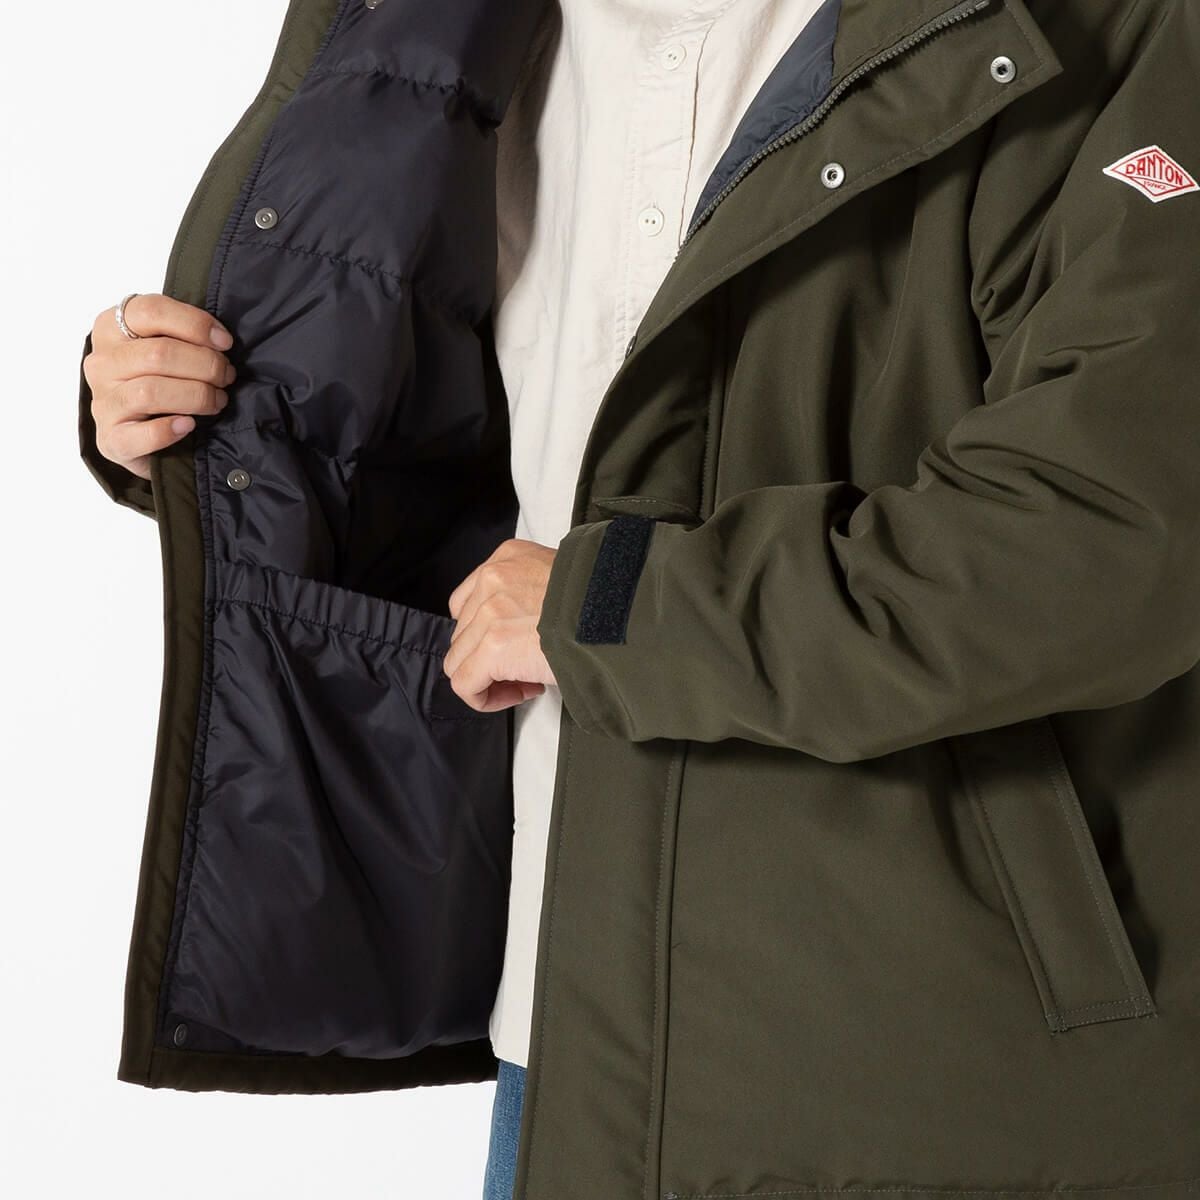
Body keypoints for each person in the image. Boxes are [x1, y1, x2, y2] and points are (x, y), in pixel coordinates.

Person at [79, 2, 1200, 1199]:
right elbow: (476, 499)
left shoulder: (1107, 28)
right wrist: (211, 432)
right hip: (569, 1045)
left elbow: (1113, 537)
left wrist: (612, 607)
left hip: (930, 1072)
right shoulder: (442, 38)